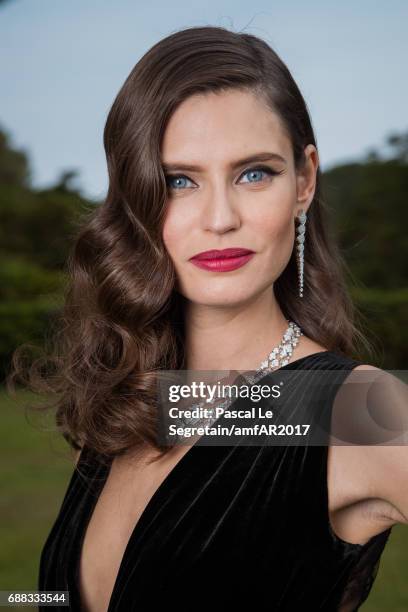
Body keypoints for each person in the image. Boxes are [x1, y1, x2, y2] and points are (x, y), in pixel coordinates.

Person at [9, 25, 407, 611]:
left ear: (304, 181)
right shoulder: (129, 408)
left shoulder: (353, 411)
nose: (220, 218)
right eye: (178, 181)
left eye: (254, 173)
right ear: (134, 195)